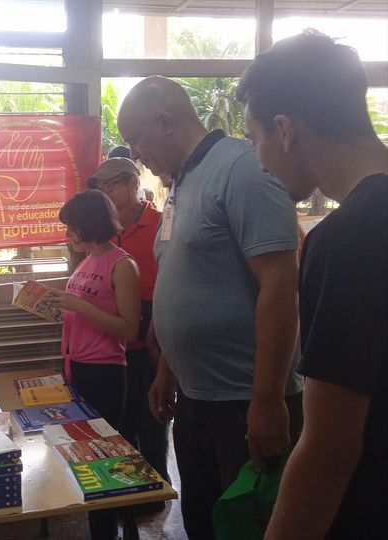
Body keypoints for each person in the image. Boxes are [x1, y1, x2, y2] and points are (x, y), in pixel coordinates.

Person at [117, 76, 304, 539]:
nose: (135, 155)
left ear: (165, 122)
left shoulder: (241, 169)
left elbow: (280, 285)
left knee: (249, 527)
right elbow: (189, 281)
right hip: (198, 401)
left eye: (134, 141)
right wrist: (169, 369)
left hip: (245, 402)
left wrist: (268, 400)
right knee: (203, 522)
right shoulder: (181, 184)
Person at [237, 30, 388, 540]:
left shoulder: (347, 239)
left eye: (256, 139)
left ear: (285, 130)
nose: (258, 160)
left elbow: (330, 446)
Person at [47, 189, 141, 540]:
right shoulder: (86, 261)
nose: (67, 235)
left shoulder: (122, 264)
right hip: (76, 367)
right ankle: (101, 527)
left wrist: (79, 306)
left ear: (90, 225)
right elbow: (82, 312)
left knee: (103, 457)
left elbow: (130, 328)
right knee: (85, 456)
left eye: (72, 228)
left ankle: (111, 530)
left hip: (105, 371)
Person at [86, 158, 169, 488]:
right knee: (119, 421)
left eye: (113, 184)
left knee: (153, 416)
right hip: (109, 338)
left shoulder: (162, 224)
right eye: (100, 186)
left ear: (134, 183)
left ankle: (156, 488)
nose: (105, 191)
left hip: (151, 331)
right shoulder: (100, 232)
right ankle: (126, 488)